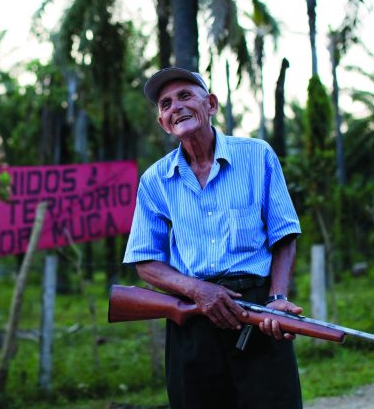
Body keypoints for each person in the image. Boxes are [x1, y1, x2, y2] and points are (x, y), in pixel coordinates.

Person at [123, 67, 303, 409]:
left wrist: (277, 297)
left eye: (186, 96)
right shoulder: (154, 180)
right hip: (193, 315)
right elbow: (145, 261)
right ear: (163, 122)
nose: (176, 106)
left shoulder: (257, 155)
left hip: (256, 310)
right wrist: (197, 290)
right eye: (166, 103)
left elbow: (284, 235)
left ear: (211, 104)